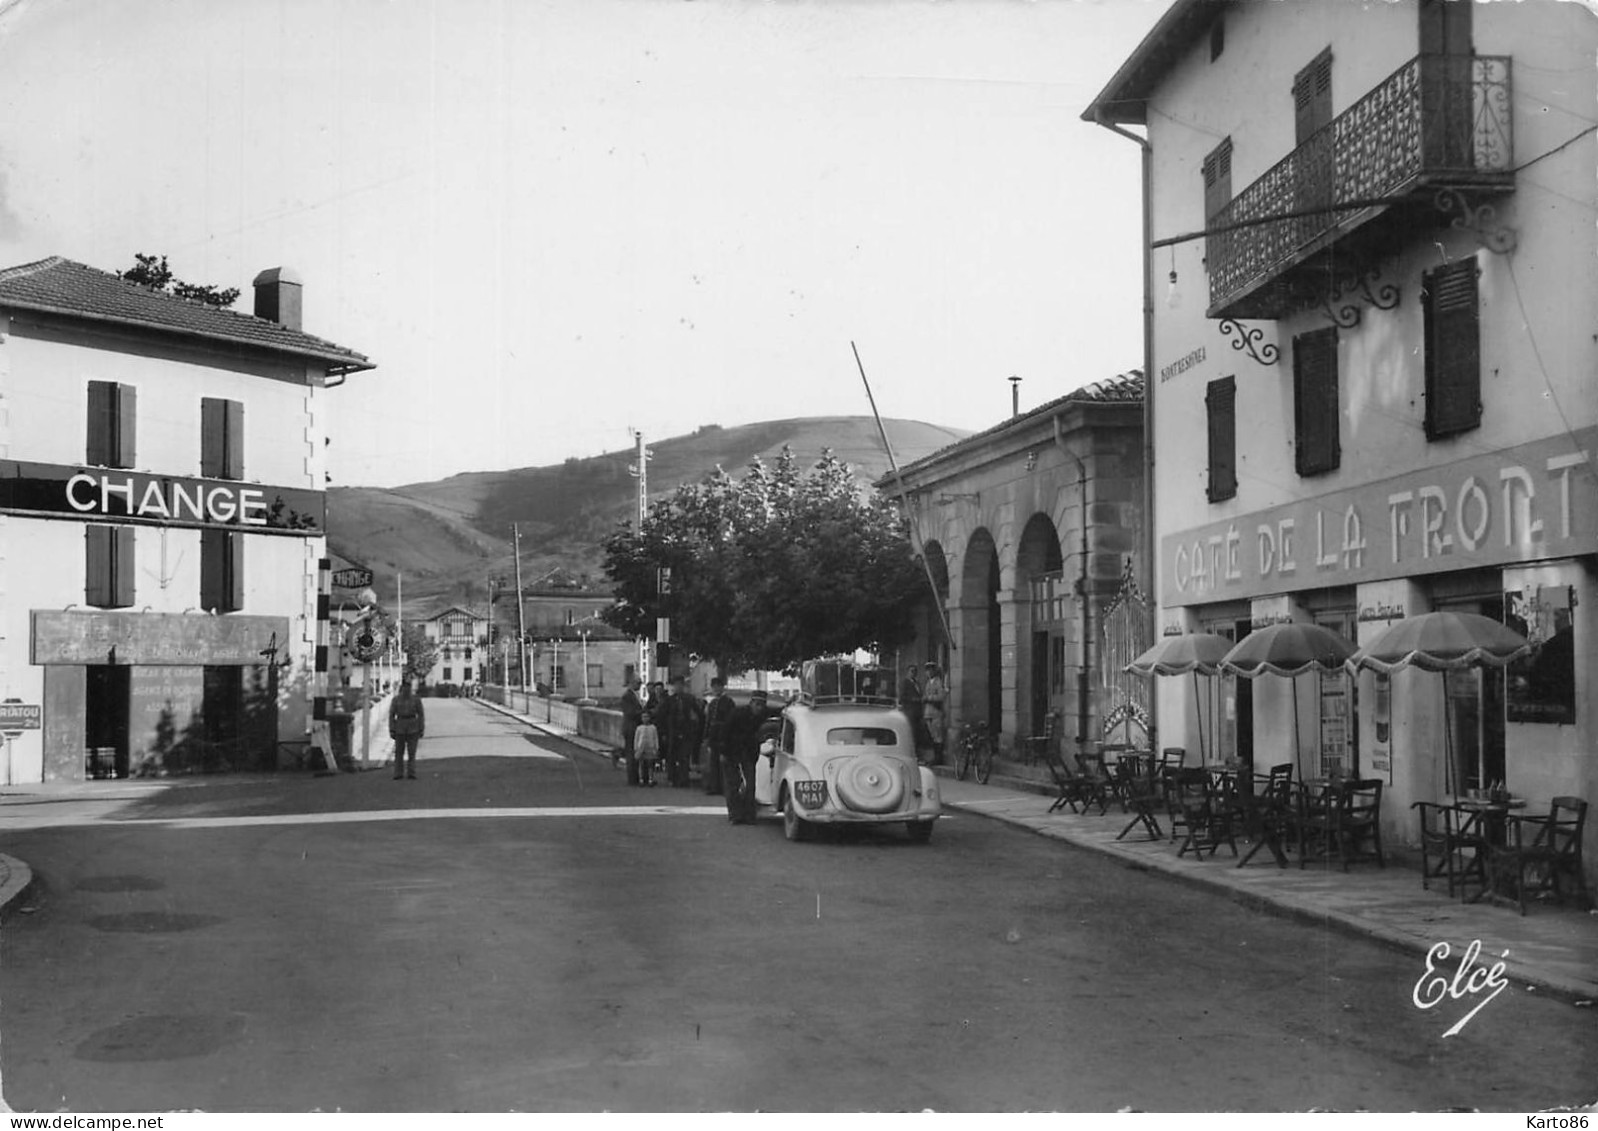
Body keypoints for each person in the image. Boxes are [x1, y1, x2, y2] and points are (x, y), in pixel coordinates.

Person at [721, 688, 769, 824]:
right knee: (733, 785)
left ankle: (749, 815)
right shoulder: (737, 714)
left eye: (761, 705)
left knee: (750, 785)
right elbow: (725, 733)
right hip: (732, 753)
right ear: (751, 703)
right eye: (757, 704)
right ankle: (735, 815)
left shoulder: (762, 716)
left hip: (749, 754)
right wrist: (724, 753)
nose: (759, 708)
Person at [661, 675, 704, 787]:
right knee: (671, 756)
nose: (678, 687)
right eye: (676, 685)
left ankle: (683, 779)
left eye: (680, 685)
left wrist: (696, 727)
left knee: (684, 756)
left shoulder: (689, 699)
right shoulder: (669, 700)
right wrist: (664, 732)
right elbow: (662, 716)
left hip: (686, 731)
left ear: (683, 686)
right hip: (672, 731)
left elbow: (699, 713)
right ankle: (672, 778)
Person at [702, 677, 735, 795]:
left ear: (722, 687)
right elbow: (708, 720)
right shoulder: (713, 703)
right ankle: (714, 787)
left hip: (723, 735)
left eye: (717, 686)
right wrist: (706, 735)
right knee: (713, 762)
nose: (715, 689)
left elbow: (730, 720)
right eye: (714, 687)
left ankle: (724, 787)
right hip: (713, 736)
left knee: (723, 763)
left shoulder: (728, 702)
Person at [388, 678, 426, 780]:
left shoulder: (416, 699)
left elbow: (421, 714)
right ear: (402, 687)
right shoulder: (396, 700)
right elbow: (391, 715)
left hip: (413, 727)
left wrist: (421, 728)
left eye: (408, 686)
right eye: (405, 686)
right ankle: (398, 773)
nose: (406, 689)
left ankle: (411, 772)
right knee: (399, 752)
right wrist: (391, 729)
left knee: (412, 752)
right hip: (399, 726)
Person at [620, 675, 645, 785]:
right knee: (631, 754)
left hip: (632, 727)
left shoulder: (632, 695)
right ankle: (632, 779)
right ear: (632, 683)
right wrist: (643, 713)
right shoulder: (627, 696)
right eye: (638, 683)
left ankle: (634, 778)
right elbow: (630, 713)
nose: (640, 686)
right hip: (631, 728)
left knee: (633, 754)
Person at [922, 661, 947, 766]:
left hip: (936, 712)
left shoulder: (938, 682)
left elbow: (941, 696)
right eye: (927, 670)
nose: (929, 672)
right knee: (932, 736)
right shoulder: (928, 683)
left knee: (938, 735)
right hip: (928, 712)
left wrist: (929, 698)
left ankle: (938, 757)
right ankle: (934, 756)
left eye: (930, 670)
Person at [898, 665, 925, 758]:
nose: (913, 673)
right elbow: (901, 697)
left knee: (917, 733)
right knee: (911, 732)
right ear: (908, 672)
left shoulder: (917, 683)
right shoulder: (905, 683)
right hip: (910, 711)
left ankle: (916, 752)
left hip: (917, 711)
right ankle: (910, 753)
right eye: (912, 671)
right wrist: (913, 699)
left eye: (915, 671)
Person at [633, 710, 661, 786]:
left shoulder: (653, 728)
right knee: (641, 764)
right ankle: (641, 779)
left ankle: (650, 779)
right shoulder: (639, 728)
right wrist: (636, 748)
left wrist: (656, 747)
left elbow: (656, 738)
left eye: (647, 717)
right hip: (641, 747)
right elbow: (636, 738)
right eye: (643, 717)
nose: (645, 718)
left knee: (650, 765)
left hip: (650, 747)